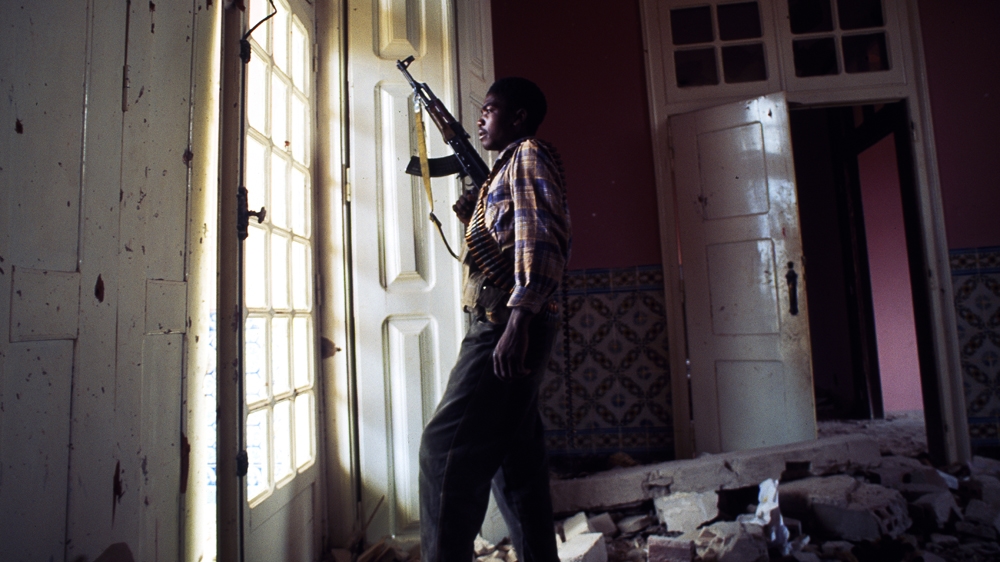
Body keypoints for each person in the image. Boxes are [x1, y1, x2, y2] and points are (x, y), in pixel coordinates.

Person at [418, 77, 572, 562]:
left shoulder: (526, 155)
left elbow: (542, 240)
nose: (481, 119)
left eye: (490, 109)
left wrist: (517, 323)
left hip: (504, 323)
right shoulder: (505, 170)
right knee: (516, 460)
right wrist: (473, 221)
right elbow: (507, 245)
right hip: (510, 317)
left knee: (443, 452)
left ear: (519, 117)